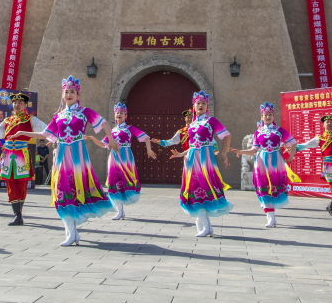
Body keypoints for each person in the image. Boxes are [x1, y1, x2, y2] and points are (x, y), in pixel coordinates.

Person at [7, 76, 116, 245]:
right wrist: (23, 133)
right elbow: (45, 135)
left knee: (79, 187)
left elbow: (105, 124)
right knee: (61, 191)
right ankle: (71, 232)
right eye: (66, 91)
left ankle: (72, 230)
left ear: (78, 94)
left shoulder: (85, 112)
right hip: (61, 154)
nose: (69, 94)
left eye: (72, 91)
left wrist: (111, 139)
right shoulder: (58, 116)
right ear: (62, 95)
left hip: (78, 154)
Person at [162, 92, 233, 237]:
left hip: (205, 159)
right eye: (198, 103)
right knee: (193, 189)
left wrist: (224, 153)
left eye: (203, 103)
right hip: (191, 159)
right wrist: (181, 154)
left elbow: (227, 136)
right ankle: (204, 225)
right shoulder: (192, 124)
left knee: (205, 187)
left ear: (207, 106)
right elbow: (192, 145)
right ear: (193, 106)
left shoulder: (211, 121)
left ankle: (205, 226)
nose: (200, 105)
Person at [0, 92, 48, 226]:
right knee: (10, 184)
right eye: (15, 103)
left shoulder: (30, 119)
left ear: (25, 105)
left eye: (20, 103)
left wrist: (53, 137)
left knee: (21, 184)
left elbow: (46, 129)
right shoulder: (7, 120)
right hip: (8, 154)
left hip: (22, 154)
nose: (17, 105)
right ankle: (17, 215)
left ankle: (19, 213)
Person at [230, 102, 298, 228]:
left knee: (275, 186)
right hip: (261, 162)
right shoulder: (258, 133)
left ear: (273, 116)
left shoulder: (279, 131)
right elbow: (254, 149)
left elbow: (293, 142)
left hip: (276, 162)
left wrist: (291, 156)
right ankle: (270, 217)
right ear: (261, 117)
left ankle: (271, 215)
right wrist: (240, 151)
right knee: (263, 187)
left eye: (270, 114)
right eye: (265, 115)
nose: (268, 117)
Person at [86, 102, 156, 220]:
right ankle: (120, 211)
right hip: (113, 158)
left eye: (122, 113)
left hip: (126, 157)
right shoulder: (111, 131)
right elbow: (104, 145)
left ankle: (122, 208)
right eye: (117, 113)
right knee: (114, 181)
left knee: (125, 180)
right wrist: (93, 139)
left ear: (125, 116)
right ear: (114, 116)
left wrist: (149, 149)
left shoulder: (130, 129)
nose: (119, 114)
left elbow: (146, 137)